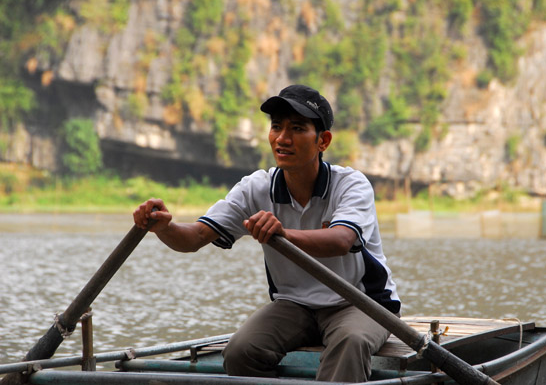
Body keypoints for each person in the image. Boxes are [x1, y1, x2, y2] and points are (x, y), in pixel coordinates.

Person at [133, 84, 401, 382]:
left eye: (297, 128)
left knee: (351, 343)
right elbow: (194, 237)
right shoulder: (255, 188)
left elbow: (341, 240)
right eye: (276, 127)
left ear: (322, 141)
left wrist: (282, 234)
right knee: (240, 351)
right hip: (294, 306)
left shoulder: (351, 184)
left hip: (359, 302)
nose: (283, 139)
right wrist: (165, 227)